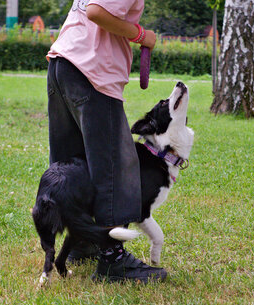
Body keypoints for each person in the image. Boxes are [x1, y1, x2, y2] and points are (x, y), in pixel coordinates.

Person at [45, 0, 167, 283]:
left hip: (64, 64)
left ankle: (81, 242)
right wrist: (141, 35)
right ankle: (112, 260)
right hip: (92, 72)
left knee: (75, 164)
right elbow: (97, 12)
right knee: (116, 166)